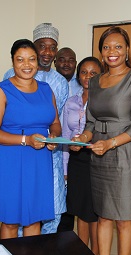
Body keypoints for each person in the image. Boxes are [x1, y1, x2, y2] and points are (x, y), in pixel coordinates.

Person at [72, 26, 131, 255]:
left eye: (118, 46)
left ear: (127, 50)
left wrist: (110, 143)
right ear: (101, 52)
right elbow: (91, 123)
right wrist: (82, 138)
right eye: (107, 47)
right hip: (99, 155)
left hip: (126, 154)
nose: (112, 51)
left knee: (124, 220)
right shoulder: (95, 81)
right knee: (103, 215)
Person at [0, 39, 61, 239]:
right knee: (10, 220)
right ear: (13, 62)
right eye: (20, 59)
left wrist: (54, 136)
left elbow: (54, 122)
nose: (27, 65)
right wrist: (26, 139)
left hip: (39, 160)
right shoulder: (0, 90)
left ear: (37, 62)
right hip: (11, 158)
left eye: (31, 59)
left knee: (35, 217)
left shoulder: (46, 89)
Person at [4, 23, 69, 235]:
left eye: (52, 47)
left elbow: (56, 120)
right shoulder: (9, 76)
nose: (47, 52)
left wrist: (54, 136)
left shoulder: (59, 82)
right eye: (42, 46)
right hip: (20, 152)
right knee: (20, 211)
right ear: (33, 46)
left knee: (51, 210)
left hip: (50, 154)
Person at [63, 57, 103, 254]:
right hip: (76, 161)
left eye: (93, 72)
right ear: (78, 76)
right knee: (80, 211)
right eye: (84, 72)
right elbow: (65, 134)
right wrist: (64, 168)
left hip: (97, 159)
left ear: (101, 75)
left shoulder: (105, 101)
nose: (88, 76)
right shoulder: (70, 102)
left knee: (94, 213)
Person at [55, 47, 83, 232]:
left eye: (71, 60)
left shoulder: (82, 87)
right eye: (62, 59)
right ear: (55, 62)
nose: (66, 63)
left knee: (69, 200)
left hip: (74, 151)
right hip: (48, 147)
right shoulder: (46, 83)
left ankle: (64, 242)